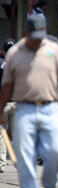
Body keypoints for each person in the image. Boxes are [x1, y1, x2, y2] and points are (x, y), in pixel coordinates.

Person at [0, 15, 58, 188]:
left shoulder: (54, 50)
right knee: (25, 156)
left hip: (50, 107)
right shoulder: (15, 53)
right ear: (26, 33)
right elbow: (6, 86)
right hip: (24, 108)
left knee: (57, 150)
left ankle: (49, 185)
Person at [0, 39, 16, 174]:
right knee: (18, 135)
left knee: (2, 134)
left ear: (3, 51)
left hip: (3, 104)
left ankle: (1, 165)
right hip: (18, 104)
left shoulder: (1, 66)